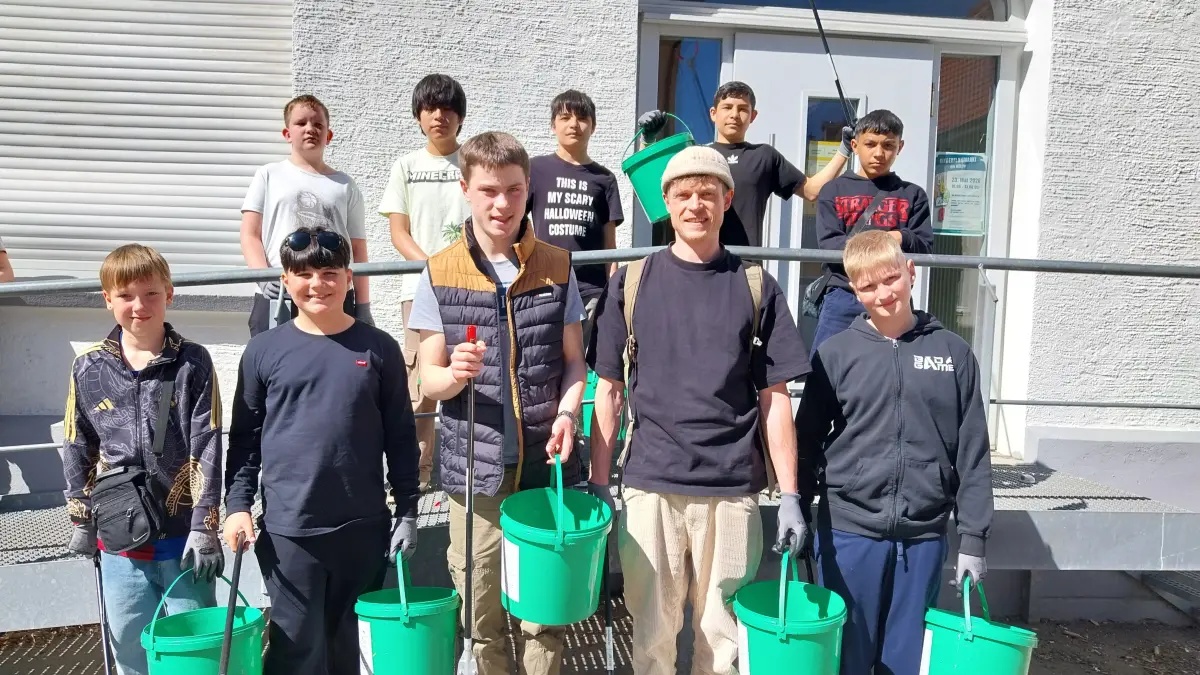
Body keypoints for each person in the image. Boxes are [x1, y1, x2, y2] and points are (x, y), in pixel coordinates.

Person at [587, 146, 812, 675]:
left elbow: (775, 399)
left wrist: (791, 496)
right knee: (652, 635)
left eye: (708, 193)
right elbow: (609, 390)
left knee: (722, 640)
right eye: (683, 194)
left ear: (727, 199)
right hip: (651, 483)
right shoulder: (632, 284)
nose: (696, 204)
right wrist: (599, 484)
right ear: (664, 202)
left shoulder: (756, 285)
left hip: (732, 489)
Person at [410, 131, 588, 675]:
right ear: (466, 189)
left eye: (513, 190)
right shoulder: (439, 270)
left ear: (527, 189)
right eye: (489, 190)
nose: (502, 204)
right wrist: (454, 376)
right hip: (475, 472)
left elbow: (576, 363)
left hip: (542, 463)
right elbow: (427, 381)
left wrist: (566, 413)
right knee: (480, 608)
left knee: (545, 610)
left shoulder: (557, 264)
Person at [795, 230, 993, 675]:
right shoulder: (835, 354)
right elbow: (806, 439)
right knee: (847, 657)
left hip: (922, 536)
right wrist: (799, 507)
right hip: (847, 532)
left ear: (911, 272)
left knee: (903, 662)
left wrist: (974, 540)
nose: (882, 294)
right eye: (866, 286)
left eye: (890, 279)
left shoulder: (953, 353)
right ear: (852, 290)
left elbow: (973, 452)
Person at [224, 227, 419, 675]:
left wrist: (407, 510)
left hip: (363, 529)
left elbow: (402, 437)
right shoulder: (263, 351)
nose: (318, 284)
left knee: (352, 647)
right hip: (291, 532)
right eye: (305, 273)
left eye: (330, 272)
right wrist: (238, 506)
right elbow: (245, 439)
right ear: (286, 280)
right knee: (297, 649)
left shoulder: (380, 349)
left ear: (349, 278)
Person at [62, 244, 224, 675]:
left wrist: (205, 526)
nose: (139, 306)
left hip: (182, 541)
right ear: (108, 300)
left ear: (169, 294)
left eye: (151, 293)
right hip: (119, 543)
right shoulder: (88, 366)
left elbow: (206, 445)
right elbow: (78, 445)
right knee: (130, 651)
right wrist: (81, 517)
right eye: (127, 295)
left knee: (195, 652)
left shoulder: (192, 362)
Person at [379, 73, 473, 491]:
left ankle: (463, 466)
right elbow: (399, 233)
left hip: (471, 286)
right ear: (418, 116)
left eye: (448, 108)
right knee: (422, 384)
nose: (439, 116)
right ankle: (416, 477)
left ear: (460, 117)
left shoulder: (473, 162)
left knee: (469, 374)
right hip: (418, 290)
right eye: (431, 108)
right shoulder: (406, 166)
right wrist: (434, 268)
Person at [641, 81, 851, 248]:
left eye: (742, 109)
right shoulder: (697, 156)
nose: (734, 114)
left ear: (753, 116)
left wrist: (844, 149)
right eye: (727, 107)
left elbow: (812, 191)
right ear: (713, 114)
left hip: (746, 266)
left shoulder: (764, 156)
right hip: (696, 263)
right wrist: (647, 141)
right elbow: (653, 192)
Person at [240, 94, 372, 337]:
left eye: (318, 124)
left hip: (333, 293)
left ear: (328, 136)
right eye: (301, 123)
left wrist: (363, 306)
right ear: (287, 133)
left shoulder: (345, 185)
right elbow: (250, 234)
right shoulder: (268, 175)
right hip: (280, 293)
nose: (310, 129)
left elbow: (358, 248)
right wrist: (262, 277)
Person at [811, 109, 934, 352]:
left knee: (894, 365)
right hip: (844, 292)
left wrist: (900, 236)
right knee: (825, 367)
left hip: (894, 296)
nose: (879, 153)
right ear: (855, 145)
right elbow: (829, 245)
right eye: (871, 144)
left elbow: (925, 245)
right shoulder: (833, 190)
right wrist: (885, 243)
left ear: (900, 147)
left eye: (888, 145)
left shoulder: (913, 194)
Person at [526, 89, 623, 345]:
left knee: (586, 364)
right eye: (565, 117)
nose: (574, 124)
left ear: (593, 126)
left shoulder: (604, 179)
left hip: (591, 289)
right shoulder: (535, 170)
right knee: (545, 360)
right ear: (553, 125)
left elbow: (610, 244)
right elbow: (516, 224)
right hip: (546, 283)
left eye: (582, 118)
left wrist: (613, 292)